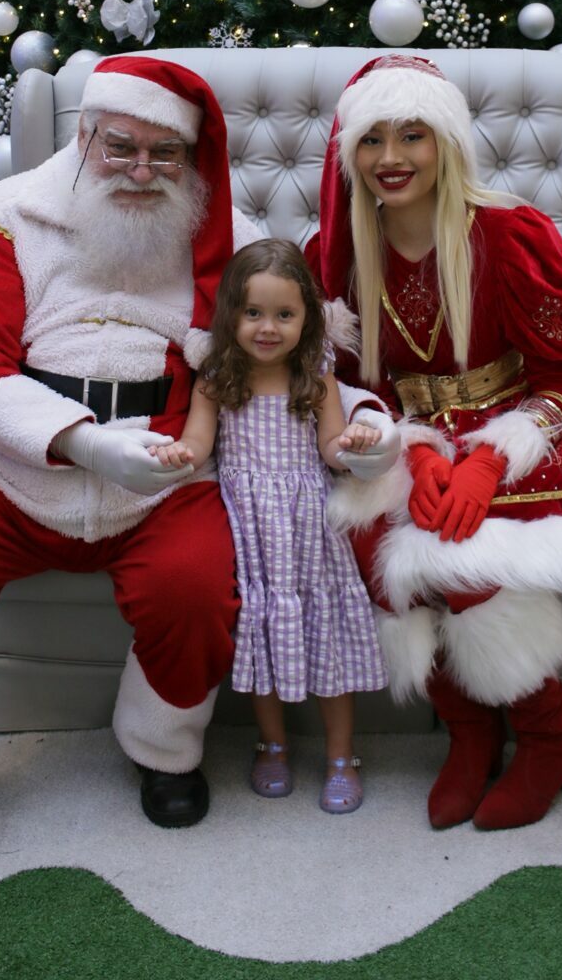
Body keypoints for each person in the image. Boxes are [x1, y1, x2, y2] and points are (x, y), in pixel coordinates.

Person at [0, 54, 399, 864]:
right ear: (84, 136)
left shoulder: (228, 241)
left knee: (195, 586)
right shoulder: (4, 219)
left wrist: (361, 422)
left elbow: (302, 358)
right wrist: (81, 441)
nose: (142, 169)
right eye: (121, 146)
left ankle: (162, 752)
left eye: (164, 153)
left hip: (166, 471)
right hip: (5, 472)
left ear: (190, 157)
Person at [307, 53, 562, 833]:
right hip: (415, 435)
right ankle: (469, 735)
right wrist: (413, 450)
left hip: (530, 419)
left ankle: (549, 739)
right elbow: (357, 388)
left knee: (461, 550)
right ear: (348, 153)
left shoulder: (507, 233)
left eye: (412, 135)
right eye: (372, 140)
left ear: (446, 143)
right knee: (367, 541)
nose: (390, 157)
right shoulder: (339, 252)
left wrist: (491, 458)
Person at [152, 238, 388, 814]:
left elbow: (330, 449)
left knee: (327, 639)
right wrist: (178, 452)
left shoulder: (315, 376)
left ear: (307, 319)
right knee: (262, 636)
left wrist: (354, 442)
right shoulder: (216, 379)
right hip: (252, 530)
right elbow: (198, 442)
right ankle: (272, 745)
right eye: (253, 312)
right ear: (230, 314)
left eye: (284, 314)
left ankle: (341, 756)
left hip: (309, 530)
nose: (267, 328)